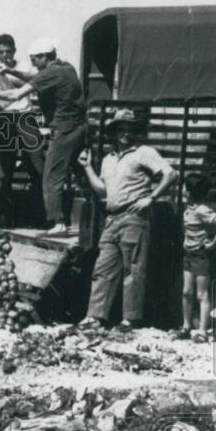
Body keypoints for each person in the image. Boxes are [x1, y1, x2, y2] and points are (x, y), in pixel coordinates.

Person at [76, 109, 179, 332]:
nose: (125, 133)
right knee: (102, 268)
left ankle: (129, 320)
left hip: (134, 218)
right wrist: (86, 167)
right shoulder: (108, 159)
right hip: (111, 219)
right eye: (121, 129)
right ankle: (95, 317)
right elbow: (103, 191)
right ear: (114, 132)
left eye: (130, 129)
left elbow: (171, 174)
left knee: (132, 270)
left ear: (136, 132)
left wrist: (151, 198)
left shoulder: (143, 152)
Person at [0, 38, 86, 235]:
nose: (33, 64)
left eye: (35, 59)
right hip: (75, 126)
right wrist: (10, 71)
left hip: (59, 127)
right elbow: (33, 77)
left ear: (44, 57)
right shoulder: (66, 67)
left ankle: (57, 222)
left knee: (49, 174)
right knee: (76, 171)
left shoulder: (49, 73)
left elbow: (15, 95)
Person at [0, 33, 44, 227]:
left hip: (25, 117)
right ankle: (4, 217)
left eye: (8, 51)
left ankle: (39, 216)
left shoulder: (24, 67)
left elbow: (29, 83)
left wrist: (9, 72)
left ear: (14, 51)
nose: (5, 55)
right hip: (4, 119)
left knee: (37, 166)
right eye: (1, 52)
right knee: (3, 170)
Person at [177, 172, 216, 343]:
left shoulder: (202, 210)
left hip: (200, 256)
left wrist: (213, 244)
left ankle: (202, 331)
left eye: (185, 187)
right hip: (188, 254)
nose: (183, 190)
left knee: (201, 294)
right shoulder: (189, 209)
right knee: (186, 292)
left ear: (190, 192)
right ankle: (186, 327)